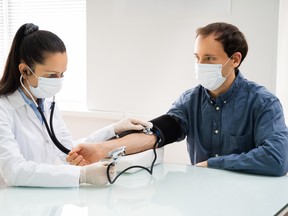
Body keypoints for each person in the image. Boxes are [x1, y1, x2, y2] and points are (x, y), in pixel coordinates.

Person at [67, 22, 288, 176]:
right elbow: (157, 133)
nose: (201, 65)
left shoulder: (263, 103)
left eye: (209, 58)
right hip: (203, 193)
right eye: (197, 58)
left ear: (235, 59)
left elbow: (277, 159)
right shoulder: (190, 100)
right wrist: (100, 149)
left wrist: (213, 164)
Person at [0, 23, 152, 187]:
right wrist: (82, 175)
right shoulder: (4, 108)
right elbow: (14, 171)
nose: (58, 81)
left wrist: (113, 129)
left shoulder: (47, 105)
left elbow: (67, 150)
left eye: (62, 74)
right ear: (25, 71)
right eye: (51, 75)